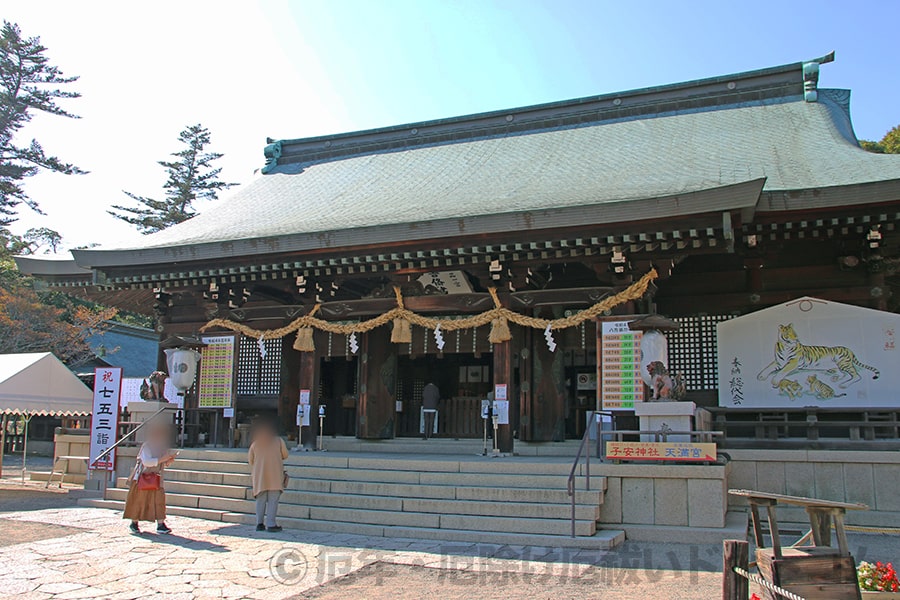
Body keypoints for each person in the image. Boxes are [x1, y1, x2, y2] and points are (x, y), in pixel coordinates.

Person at [123, 420, 176, 534]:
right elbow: (147, 461)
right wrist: (163, 459)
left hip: (156, 477)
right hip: (143, 477)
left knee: (159, 501)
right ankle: (134, 523)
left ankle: (161, 524)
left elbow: (163, 462)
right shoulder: (147, 446)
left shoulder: (162, 447)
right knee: (138, 500)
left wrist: (168, 460)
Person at [247, 419, 288, 532]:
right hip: (275, 474)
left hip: (259, 476)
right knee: (273, 500)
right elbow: (285, 455)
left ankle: (259, 523)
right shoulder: (279, 441)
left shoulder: (255, 444)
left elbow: (251, 461)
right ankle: (271, 523)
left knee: (260, 500)